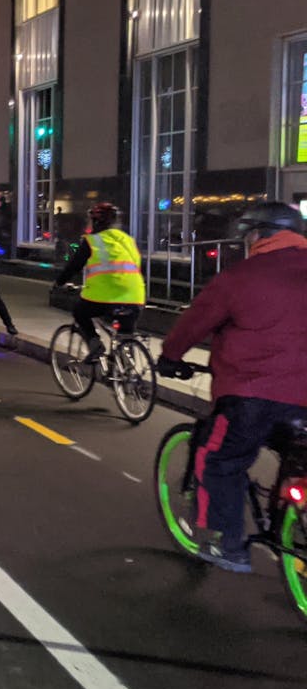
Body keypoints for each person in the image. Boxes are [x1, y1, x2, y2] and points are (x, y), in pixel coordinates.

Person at [156, 203, 307, 573]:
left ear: (258, 235)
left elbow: (194, 324)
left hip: (252, 393)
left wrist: (171, 356)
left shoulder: (241, 277)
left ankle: (231, 546)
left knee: (221, 459)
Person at [53, 202, 145, 358]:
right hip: (135, 295)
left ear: (96, 222)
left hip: (104, 296)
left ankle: (95, 345)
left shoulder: (92, 241)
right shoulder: (128, 240)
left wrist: (58, 283)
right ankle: (127, 372)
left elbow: (74, 266)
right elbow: (136, 264)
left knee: (80, 312)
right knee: (125, 335)